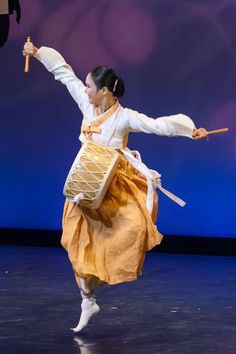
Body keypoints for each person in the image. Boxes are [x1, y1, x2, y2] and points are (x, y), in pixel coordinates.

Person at [23, 41, 208, 333]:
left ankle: (101, 280)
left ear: (104, 91)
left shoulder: (124, 117)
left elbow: (158, 125)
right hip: (85, 185)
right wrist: (37, 52)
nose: (85, 90)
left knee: (129, 232)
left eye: (89, 86)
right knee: (75, 245)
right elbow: (64, 72)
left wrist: (190, 131)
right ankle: (88, 300)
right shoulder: (87, 105)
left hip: (113, 187)